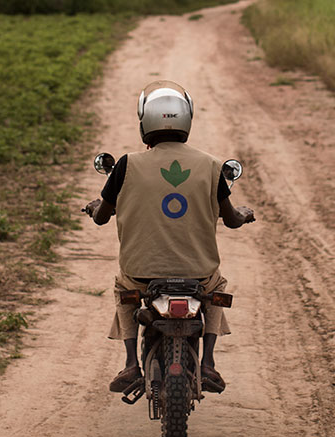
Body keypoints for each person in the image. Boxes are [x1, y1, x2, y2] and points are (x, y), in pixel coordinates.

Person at [84, 81, 254, 394]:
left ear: (144, 122)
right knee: (217, 286)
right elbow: (231, 219)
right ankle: (209, 364)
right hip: (197, 276)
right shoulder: (213, 166)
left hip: (141, 274)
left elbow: (102, 215)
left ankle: (131, 364)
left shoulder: (126, 165)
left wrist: (96, 209)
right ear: (187, 120)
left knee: (124, 288)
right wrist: (242, 214)